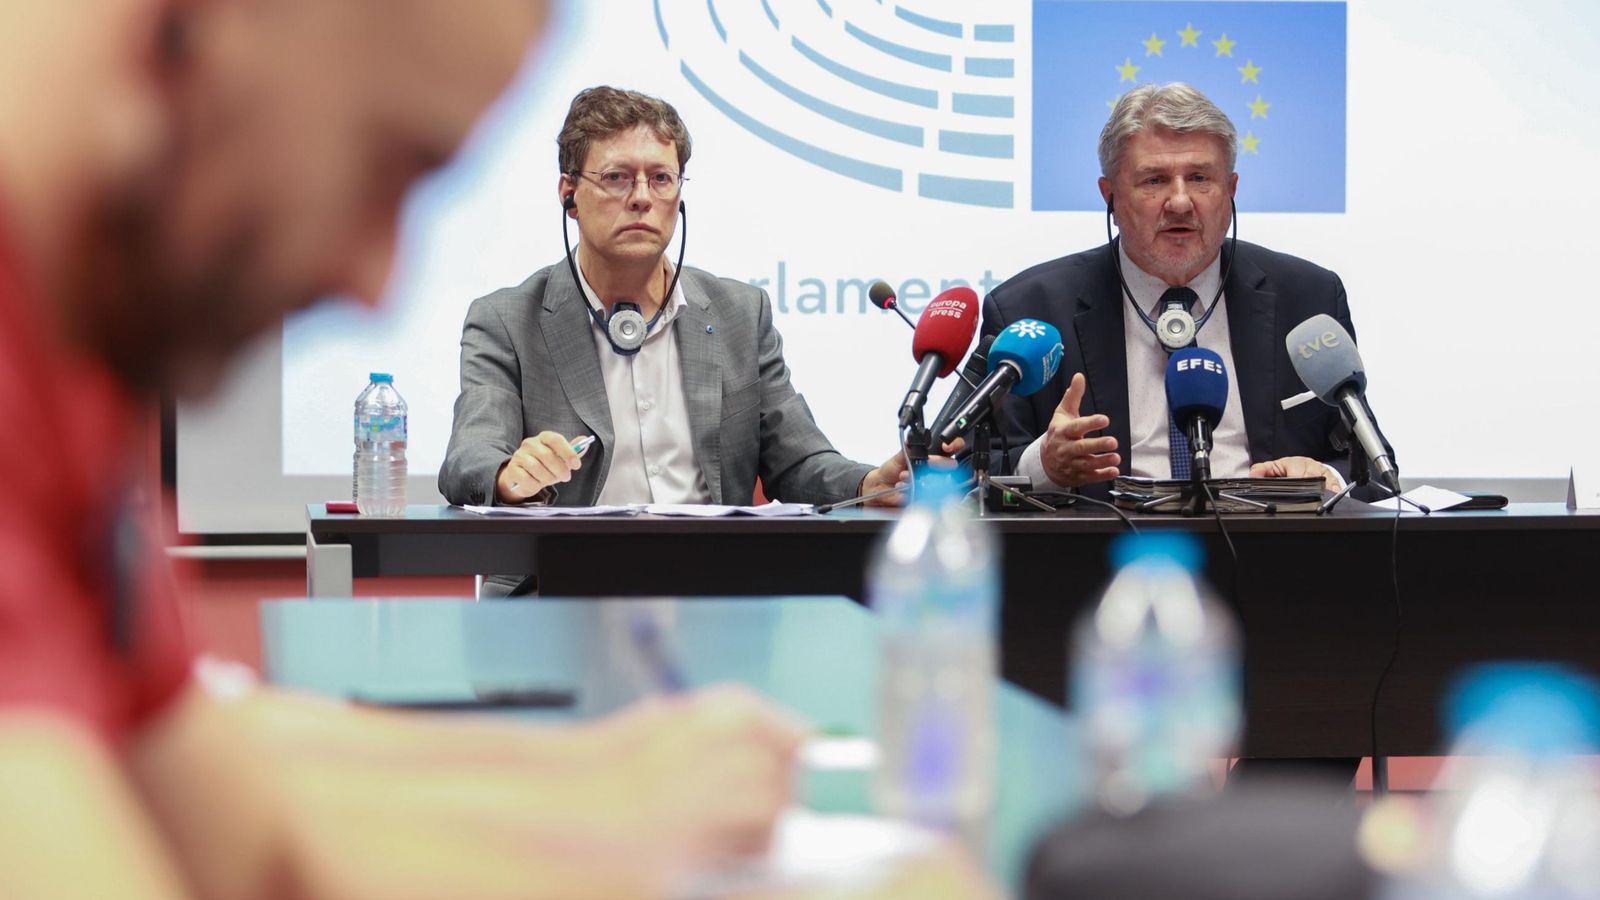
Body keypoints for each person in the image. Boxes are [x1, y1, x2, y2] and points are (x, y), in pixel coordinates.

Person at [0, 2, 854, 897]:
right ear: (195, 25)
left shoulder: (70, 368)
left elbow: (219, 803)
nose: (375, 281)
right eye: (390, 164)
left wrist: (609, 781)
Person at [439, 86, 920, 539]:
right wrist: (508, 476)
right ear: (569, 195)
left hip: (709, 588)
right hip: (559, 589)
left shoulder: (740, 314)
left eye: (661, 178)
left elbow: (796, 462)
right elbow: (469, 458)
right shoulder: (506, 319)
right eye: (616, 178)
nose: (643, 197)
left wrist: (869, 483)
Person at [980, 82, 1388, 499]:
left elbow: (1373, 468)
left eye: (1199, 178)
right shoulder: (1028, 311)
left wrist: (1323, 478)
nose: (1180, 202)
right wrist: (1045, 466)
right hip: (1101, 553)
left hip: (1268, 552)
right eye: (1154, 180)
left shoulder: (1307, 297)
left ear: (1231, 190)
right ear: (1110, 197)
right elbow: (970, 477)